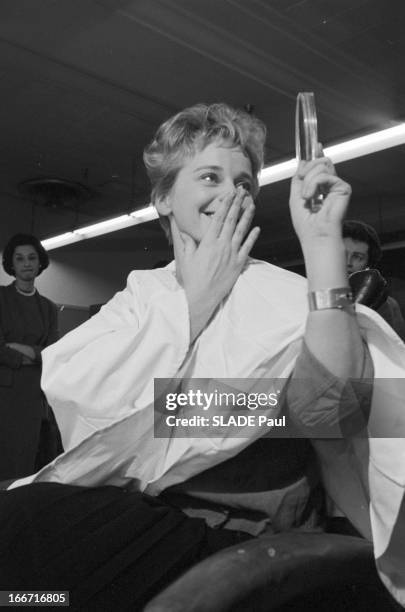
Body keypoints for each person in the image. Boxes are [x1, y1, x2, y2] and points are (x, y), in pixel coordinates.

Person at [1, 104, 404, 610]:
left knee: (27, 525)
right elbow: (88, 417)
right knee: (27, 584)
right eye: (210, 175)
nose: (231, 193)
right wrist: (193, 303)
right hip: (148, 519)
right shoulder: (141, 296)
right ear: (165, 198)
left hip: (249, 545)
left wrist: (322, 244)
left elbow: (330, 408)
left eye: (244, 183)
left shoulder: (280, 293)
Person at [0, 233, 61, 481]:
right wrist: (31, 354)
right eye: (20, 258)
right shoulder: (1, 298)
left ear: (40, 263)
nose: (26, 263)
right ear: (11, 265)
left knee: (26, 456)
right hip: (4, 390)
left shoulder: (48, 307)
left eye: (32, 258)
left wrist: (17, 348)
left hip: (34, 393)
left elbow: (52, 352)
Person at [343, 219, 405, 340]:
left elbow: (396, 352)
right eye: (342, 254)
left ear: (368, 264)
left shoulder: (386, 304)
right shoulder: (305, 290)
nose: (347, 262)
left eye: (357, 257)